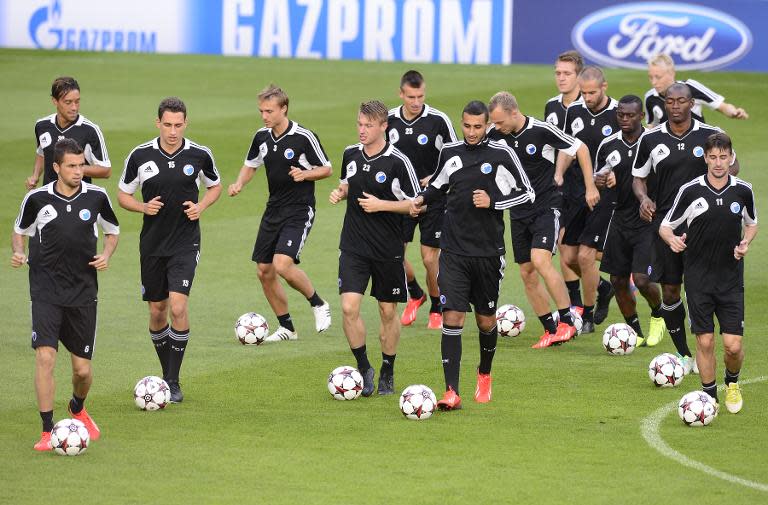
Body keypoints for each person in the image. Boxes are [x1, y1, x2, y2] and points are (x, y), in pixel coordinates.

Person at [411, 100, 534, 410]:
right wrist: (421, 198)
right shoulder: (450, 153)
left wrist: (493, 201)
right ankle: (451, 390)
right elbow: (438, 185)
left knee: (485, 320)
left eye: (478, 127)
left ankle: (484, 374)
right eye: (467, 126)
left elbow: (526, 192)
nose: (472, 132)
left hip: (488, 252)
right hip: (453, 249)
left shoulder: (501, 154)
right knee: (452, 315)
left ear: (487, 125)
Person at [12, 138, 119, 451]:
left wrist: (107, 254)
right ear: (56, 167)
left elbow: (113, 231)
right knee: (45, 357)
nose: (78, 171)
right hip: (45, 289)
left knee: (82, 370)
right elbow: (20, 230)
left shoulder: (97, 198)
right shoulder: (37, 199)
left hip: (83, 291)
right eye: (71, 166)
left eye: (81, 165)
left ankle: (77, 407)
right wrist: (19, 252)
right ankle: (47, 431)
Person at [118, 97, 221, 402]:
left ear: (185, 123)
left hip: (185, 242)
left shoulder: (200, 155)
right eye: (167, 124)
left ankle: (173, 381)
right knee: (156, 311)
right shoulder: (140, 155)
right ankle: (166, 375)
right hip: (152, 244)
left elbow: (214, 185)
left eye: (178, 125)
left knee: (177, 307)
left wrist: (201, 205)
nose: (173, 131)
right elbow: (123, 194)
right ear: (158, 123)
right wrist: (141, 207)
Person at [632, 83, 739, 374]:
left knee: (702, 289)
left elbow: (733, 167)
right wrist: (643, 199)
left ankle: (709, 346)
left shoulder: (710, 135)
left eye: (681, 101)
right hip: (666, 225)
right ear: (664, 104)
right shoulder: (651, 138)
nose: (675, 105)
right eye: (670, 101)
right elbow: (638, 178)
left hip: (705, 227)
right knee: (669, 290)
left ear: (692, 103)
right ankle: (683, 353)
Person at [659, 132, 755, 413]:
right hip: (698, 279)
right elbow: (666, 226)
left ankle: (733, 383)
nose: (718, 163)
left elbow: (752, 223)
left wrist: (746, 241)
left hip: (730, 279)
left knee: (733, 346)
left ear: (731, 157)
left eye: (723, 157)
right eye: (713, 157)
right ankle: (709, 396)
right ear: (705, 158)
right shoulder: (690, 191)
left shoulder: (743, 190)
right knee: (705, 340)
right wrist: (672, 239)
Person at [329, 100, 420, 396]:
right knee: (348, 306)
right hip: (354, 245)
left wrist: (381, 205)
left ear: (384, 127)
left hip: (387, 249)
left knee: (387, 311)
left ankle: (387, 369)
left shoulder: (398, 162)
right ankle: (364, 367)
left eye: (369, 125)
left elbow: (416, 205)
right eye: (359, 124)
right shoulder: (350, 154)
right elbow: (347, 183)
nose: (362, 130)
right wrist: (341, 192)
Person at [229, 84, 332, 341]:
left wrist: (305, 174)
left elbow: (327, 168)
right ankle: (287, 327)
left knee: (282, 264)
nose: (264, 116)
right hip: (273, 209)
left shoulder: (304, 137)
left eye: (269, 111)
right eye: (261, 111)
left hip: (299, 210)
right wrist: (240, 183)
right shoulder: (261, 136)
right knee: (264, 270)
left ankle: (319, 304)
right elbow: (251, 165)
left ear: (283, 109)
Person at [487, 91, 579, 349]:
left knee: (540, 260)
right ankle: (550, 330)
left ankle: (567, 322)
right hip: (518, 213)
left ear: (514, 113)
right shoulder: (495, 136)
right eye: (493, 122)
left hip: (546, 208)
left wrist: (572, 178)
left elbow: (576, 147)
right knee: (527, 272)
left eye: (500, 121)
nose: (497, 127)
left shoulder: (541, 130)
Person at [387, 70, 458, 330]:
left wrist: (435, 178)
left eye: (420, 96)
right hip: (401, 200)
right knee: (393, 254)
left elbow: (456, 157)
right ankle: (415, 293)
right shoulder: (390, 120)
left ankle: (437, 307)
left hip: (434, 199)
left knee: (430, 259)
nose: (416, 102)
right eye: (411, 96)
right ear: (401, 94)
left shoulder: (438, 120)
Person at [595, 95, 665, 345]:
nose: (624, 119)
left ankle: (658, 315)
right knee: (617, 280)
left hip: (648, 221)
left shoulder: (654, 142)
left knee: (643, 279)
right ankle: (634, 332)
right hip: (620, 218)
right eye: (621, 115)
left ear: (641, 116)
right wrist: (601, 180)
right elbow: (599, 176)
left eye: (630, 115)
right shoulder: (608, 145)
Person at [558, 66, 617, 332]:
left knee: (585, 256)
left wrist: (614, 175)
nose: (588, 98)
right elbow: (567, 146)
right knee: (568, 256)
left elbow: (631, 150)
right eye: (584, 93)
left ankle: (589, 315)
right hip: (575, 192)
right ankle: (603, 287)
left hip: (603, 195)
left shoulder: (618, 113)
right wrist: (558, 174)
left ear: (604, 87)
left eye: (592, 92)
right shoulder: (574, 111)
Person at [27, 76, 111, 189]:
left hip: (79, 200)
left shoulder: (90, 130)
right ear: (55, 101)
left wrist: (74, 167)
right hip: (49, 198)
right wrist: (35, 176)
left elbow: (106, 170)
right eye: (68, 102)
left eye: (77, 102)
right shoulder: (42, 126)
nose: (74, 108)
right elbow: (42, 152)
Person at [645, 54, 749, 127]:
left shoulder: (691, 88)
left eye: (658, 77)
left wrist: (734, 112)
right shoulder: (650, 98)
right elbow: (652, 127)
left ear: (672, 73)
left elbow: (722, 106)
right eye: (650, 77)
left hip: (698, 150)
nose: (654, 82)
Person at [544, 50, 583, 129]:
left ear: (579, 76)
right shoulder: (551, 105)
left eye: (567, 74)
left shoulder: (589, 106)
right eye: (558, 73)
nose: (561, 78)